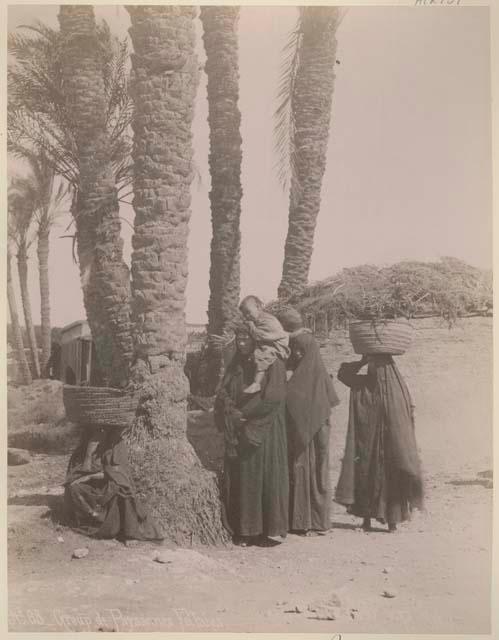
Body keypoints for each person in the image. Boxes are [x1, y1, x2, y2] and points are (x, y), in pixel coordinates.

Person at [214, 325, 289, 546]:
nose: (242, 343)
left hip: (263, 430)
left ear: (256, 341)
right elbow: (223, 389)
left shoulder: (272, 363)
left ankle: (263, 530)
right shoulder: (236, 363)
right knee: (243, 479)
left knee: (261, 477)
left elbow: (274, 398)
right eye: (239, 339)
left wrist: (246, 415)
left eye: (246, 339)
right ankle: (244, 530)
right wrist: (230, 410)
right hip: (239, 427)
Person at [335, 355, 424, 532]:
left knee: (389, 479)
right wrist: (362, 361)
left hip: (391, 448)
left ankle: (392, 522)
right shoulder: (366, 385)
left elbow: (407, 417)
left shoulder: (396, 391)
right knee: (367, 475)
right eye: (374, 366)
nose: (376, 370)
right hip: (369, 446)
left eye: (379, 366)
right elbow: (343, 374)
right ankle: (367, 521)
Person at [64, 426, 164, 543]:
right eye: (97, 429)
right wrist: (89, 454)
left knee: (121, 489)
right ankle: (92, 518)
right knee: (74, 487)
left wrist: (90, 476)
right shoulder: (88, 444)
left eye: (103, 429)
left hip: (109, 482)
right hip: (94, 485)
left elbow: (117, 472)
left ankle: (126, 532)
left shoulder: (117, 444)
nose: (101, 432)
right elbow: (80, 470)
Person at [286, 330, 340, 535]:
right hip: (299, 435)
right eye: (295, 350)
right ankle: (300, 522)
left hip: (317, 435)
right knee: (299, 471)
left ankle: (319, 521)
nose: (297, 354)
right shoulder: (294, 374)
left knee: (318, 473)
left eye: (302, 350)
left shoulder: (318, 375)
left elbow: (326, 405)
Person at [239, 295, 290, 394]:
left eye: (248, 312)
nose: (247, 316)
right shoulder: (258, 319)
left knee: (262, 354)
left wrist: (252, 326)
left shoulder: (268, 320)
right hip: (269, 342)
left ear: (258, 307)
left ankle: (256, 383)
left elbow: (261, 335)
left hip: (277, 346)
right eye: (244, 315)